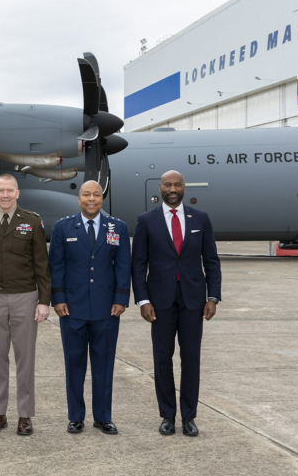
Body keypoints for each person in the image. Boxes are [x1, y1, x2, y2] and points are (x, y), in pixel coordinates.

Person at [131, 170, 221, 437]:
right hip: (159, 302)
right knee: (162, 358)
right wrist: (143, 299)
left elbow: (212, 261)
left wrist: (213, 297)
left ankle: (189, 416)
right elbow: (139, 264)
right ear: (159, 188)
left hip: (194, 301)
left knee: (191, 359)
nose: (173, 188)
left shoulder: (200, 219)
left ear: (184, 188)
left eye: (177, 184)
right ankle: (167, 415)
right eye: (168, 184)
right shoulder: (146, 220)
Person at [0, 173, 51, 436]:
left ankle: (24, 416)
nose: (5, 195)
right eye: (0, 190)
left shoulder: (32, 221)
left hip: (25, 297)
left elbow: (42, 264)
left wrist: (44, 301)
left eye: (10, 190)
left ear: (18, 193)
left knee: (25, 359)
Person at [48, 180, 130, 434]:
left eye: (96, 194)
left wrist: (120, 298)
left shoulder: (117, 227)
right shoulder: (63, 227)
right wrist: (58, 298)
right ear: (79, 198)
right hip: (72, 308)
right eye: (86, 194)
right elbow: (56, 265)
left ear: (102, 198)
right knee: (74, 364)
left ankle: (103, 416)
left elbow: (123, 266)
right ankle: (76, 416)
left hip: (107, 309)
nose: (91, 199)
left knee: (104, 364)